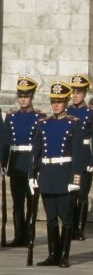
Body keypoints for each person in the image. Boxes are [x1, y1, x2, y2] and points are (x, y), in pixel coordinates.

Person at [28, 82, 86, 267]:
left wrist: (75, 178)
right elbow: (35, 153)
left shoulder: (73, 124)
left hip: (64, 175)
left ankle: (64, 255)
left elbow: (78, 154)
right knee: (51, 218)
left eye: (60, 102)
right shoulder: (43, 124)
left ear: (66, 102)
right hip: (47, 175)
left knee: (66, 219)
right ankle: (53, 254)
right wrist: (32, 175)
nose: (56, 105)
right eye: (54, 101)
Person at [1, 77, 46, 247]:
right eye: (20, 96)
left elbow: (42, 144)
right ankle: (19, 234)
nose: (23, 99)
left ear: (32, 96)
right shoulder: (11, 117)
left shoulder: (40, 117)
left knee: (31, 201)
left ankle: (29, 233)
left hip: (31, 162)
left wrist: (40, 165)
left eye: (26, 96)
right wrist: (3, 163)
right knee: (17, 202)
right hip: (16, 163)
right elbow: (5, 142)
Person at [66, 74, 93, 241]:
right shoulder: (66, 111)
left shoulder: (91, 113)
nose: (75, 95)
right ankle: (70, 226)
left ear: (85, 93)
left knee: (82, 195)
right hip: (70, 157)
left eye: (79, 92)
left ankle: (80, 228)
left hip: (85, 155)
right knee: (70, 194)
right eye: (73, 92)